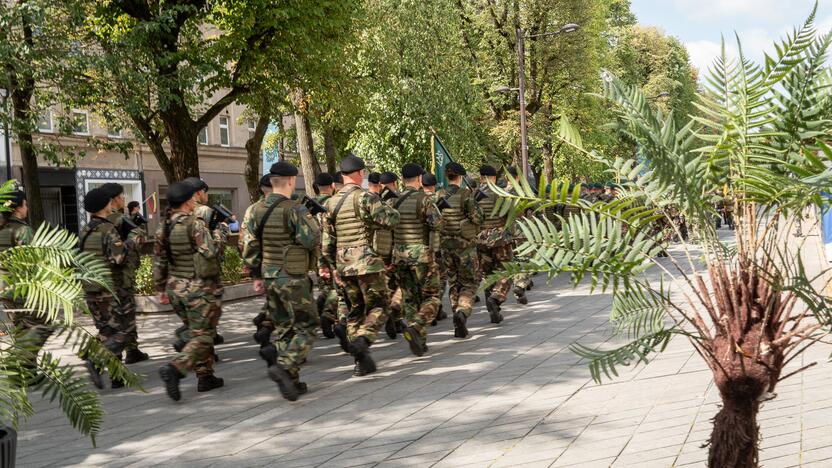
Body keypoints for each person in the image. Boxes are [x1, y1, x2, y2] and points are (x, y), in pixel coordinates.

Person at [242, 162, 321, 401]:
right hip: (293, 277)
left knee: (284, 328)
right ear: (291, 181)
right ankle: (286, 365)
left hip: (270, 277)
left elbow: (248, 247)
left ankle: (293, 381)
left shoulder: (254, 210)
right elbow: (311, 240)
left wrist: (256, 275)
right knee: (306, 326)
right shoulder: (295, 209)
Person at [321, 154, 400, 376]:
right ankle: (364, 340)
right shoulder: (366, 198)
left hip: (343, 265)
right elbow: (390, 220)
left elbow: (326, 242)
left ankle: (359, 361)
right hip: (366, 262)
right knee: (380, 305)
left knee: (355, 310)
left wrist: (333, 267)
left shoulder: (331, 203)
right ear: (359, 174)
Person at [156, 181, 224, 401]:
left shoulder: (163, 227)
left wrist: (161, 289)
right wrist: (220, 233)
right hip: (198, 288)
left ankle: (205, 377)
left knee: (195, 331)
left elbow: (159, 261)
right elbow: (211, 252)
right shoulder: (195, 224)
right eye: (193, 199)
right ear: (188, 201)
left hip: (176, 288)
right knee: (204, 335)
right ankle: (175, 368)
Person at [79, 187, 134, 389]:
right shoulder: (107, 229)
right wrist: (130, 242)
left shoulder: (86, 230)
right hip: (107, 290)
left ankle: (116, 376)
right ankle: (93, 358)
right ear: (105, 205)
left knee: (106, 331)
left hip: (90, 289)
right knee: (122, 332)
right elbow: (118, 258)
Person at [392, 163, 443, 356]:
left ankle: (419, 341)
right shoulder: (424, 200)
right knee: (432, 297)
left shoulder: (393, 201)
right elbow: (437, 224)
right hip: (421, 256)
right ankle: (417, 325)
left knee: (410, 298)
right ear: (420, 179)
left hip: (399, 256)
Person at [0, 188, 53, 370]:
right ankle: (19, 364)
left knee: (22, 328)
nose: (27, 208)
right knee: (45, 323)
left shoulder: (2, 230)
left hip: (5, 289)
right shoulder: (22, 230)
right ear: (18, 208)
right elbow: (33, 262)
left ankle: (27, 370)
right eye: (26, 204)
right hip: (24, 289)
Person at [99, 183, 149, 368]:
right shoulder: (118, 219)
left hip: (103, 278)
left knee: (112, 319)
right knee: (124, 317)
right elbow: (139, 237)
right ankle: (119, 354)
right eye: (121, 197)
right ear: (114, 200)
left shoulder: (98, 222)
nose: (123, 200)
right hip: (121, 275)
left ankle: (132, 350)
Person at [182, 177, 226, 358]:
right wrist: (221, 230)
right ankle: (194, 346)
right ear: (199, 193)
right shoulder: (204, 212)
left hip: (184, 275)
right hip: (205, 274)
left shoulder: (179, 215)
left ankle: (204, 348)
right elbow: (211, 249)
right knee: (208, 314)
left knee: (198, 316)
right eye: (205, 192)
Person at [438, 162, 483, 339]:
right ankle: (462, 312)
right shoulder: (466, 195)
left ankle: (457, 321)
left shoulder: (438, 195)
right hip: (465, 247)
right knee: (470, 282)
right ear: (461, 176)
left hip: (446, 247)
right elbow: (478, 217)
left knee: (454, 282)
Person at [476, 165, 514, 324]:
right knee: (506, 271)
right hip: (500, 239)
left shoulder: (473, 195)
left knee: (488, 273)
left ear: (481, 177)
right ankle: (496, 298)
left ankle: (493, 308)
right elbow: (511, 215)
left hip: (480, 239)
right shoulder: (501, 193)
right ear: (493, 177)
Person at [243, 175, 275, 348]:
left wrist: (253, 270)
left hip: (262, 264)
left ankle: (264, 320)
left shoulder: (252, 210)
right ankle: (266, 325)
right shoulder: (288, 207)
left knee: (275, 299)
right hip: (281, 264)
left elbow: (246, 241)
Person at [373, 171, 401, 339]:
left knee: (386, 284)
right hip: (394, 248)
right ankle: (395, 314)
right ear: (394, 183)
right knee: (400, 284)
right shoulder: (396, 200)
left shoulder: (374, 200)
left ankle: (392, 316)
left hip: (378, 249)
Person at [313, 172, 339, 339]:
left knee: (325, 288)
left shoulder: (309, 205)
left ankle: (315, 314)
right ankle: (328, 316)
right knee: (337, 289)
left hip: (316, 254)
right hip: (331, 252)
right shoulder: (332, 204)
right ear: (332, 186)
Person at [421, 173, 448, 324]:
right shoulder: (436, 200)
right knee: (440, 278)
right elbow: (439, 224)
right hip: (436, 245)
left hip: (416, 248)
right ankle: (435, 308)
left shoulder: (416, 198)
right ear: (433, 186)